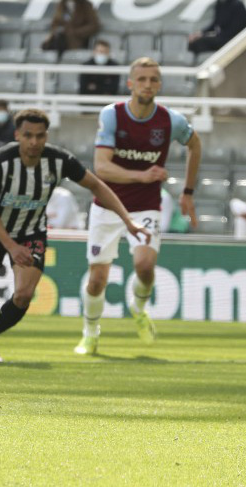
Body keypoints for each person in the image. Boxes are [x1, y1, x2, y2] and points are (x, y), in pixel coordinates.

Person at [0, 108, 152, 362]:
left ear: (46, 136)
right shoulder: (2, 160)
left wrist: (127, 220)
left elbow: (96, 185)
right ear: (17, 135)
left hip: (32, 233)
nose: (34, 142)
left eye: (40, 136)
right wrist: (10, 245)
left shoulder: (59, 161)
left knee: (24, 295)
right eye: (28, 135)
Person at [76, 57, 201, 356]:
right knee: (97, 280)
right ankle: (90, 333)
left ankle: (138, 307)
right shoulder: (112, 115)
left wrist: (188, 192)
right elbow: (101, 168)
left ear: (159, 84)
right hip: (108, 204)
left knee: (145, 267)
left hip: (146, 205)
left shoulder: (171, 120)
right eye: (141, 79)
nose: (147, 84)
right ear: (130, 84)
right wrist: (142, 175)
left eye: (153, 79)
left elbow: (195, 145)